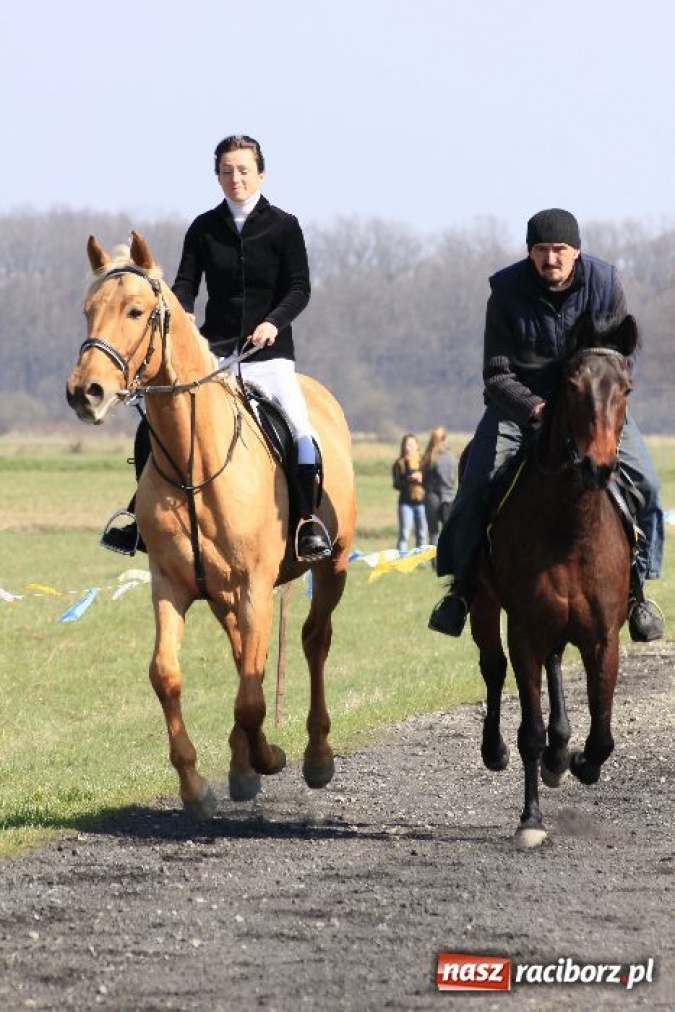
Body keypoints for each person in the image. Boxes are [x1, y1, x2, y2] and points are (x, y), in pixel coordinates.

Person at [428, 208, 665, 642]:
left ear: (576, 252)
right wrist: (535, 409)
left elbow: (618, 359)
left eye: (559, 250)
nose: (550, 259)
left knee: (647, 485)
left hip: (593, 407)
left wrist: (597, 404)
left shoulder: (606, 283)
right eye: (541, 250)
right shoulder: (504, 291)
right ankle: (461, 590)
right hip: (522, 409)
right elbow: (497, 374)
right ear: (529, 253)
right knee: (475, 484)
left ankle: (638, 592)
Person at [101, 134, 331, 563]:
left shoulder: (284, 225)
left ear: (260, 173)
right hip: (216, 358)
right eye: (227, 171)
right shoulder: (204, 228)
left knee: (301, 433)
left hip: (270, 358)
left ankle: (305, 523)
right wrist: (183, 311)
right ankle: (138, 519)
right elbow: (185, 282)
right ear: (217, 176)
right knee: (152, 427)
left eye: (243, 170)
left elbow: (299, 288)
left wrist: (272, 323)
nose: (235, 178)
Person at [421, 427, 457, 562]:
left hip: (432, 497)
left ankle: (435, 562)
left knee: (433, 532)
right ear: (445, 438)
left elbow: (424, 480)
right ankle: (450, 560)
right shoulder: (451, 456)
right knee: (449, 532)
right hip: (449, 496)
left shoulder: (429, 457)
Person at [393, 433, 428, 554]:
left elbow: (431, 480)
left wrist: (422, 478)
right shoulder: (399, 463)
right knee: (404, 533)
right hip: (405, 503)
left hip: (422, 503)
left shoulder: (424, 462)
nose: (409, 447)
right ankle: (401, 559)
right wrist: (409, 480)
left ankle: (420, 561)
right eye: (407, 444)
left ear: (417, 446)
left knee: (422, 534)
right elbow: (396, 484)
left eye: (411, 444)